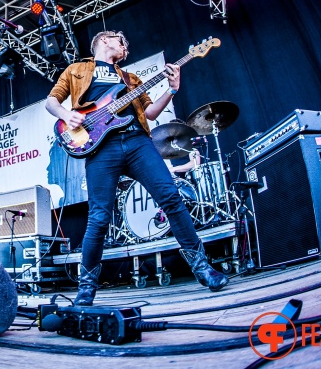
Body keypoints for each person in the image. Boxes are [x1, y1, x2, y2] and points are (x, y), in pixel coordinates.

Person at [45, 30, 228, 306]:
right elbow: (52, 101)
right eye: (120, 41)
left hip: (137, 142)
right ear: (104, 40)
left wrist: (173, 89)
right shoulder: (77, 70)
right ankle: (86, 288)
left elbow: (152, 113)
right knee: (98, 218)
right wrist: (66, 114)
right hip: (100, 147)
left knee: (172, 198)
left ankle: (203, 268)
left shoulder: (130, 80)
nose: (124, 46)